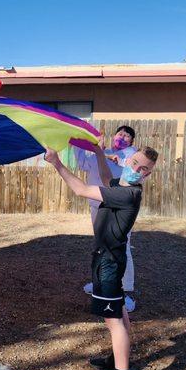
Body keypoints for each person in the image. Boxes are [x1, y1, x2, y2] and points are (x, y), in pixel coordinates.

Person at [46, 145, 158, 370]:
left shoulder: (129, 194)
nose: (137, 169)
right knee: (120, 311)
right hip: (109, 258)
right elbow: (107, 179)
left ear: (147, 174)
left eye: (143, 169)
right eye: (135, 163)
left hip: (109, 263)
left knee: (113, 320)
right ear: (128, 161)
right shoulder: (123, 186)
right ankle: (116, 360)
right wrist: (98, 153)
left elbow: (81, 189)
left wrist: (57, 163)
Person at [76, 126, 138, 312]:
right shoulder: (103, 152)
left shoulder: (131, 155)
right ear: (113, 136)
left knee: (122, 248)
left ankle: (126, 293)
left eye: (127, 136)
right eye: (120, 134)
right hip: (97, 205)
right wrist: (76, 143)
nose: (122, 137)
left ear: (131, 142)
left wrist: (100, 152)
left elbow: (124, 165)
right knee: (101, 246)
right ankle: (100, 284)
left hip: (118, 208)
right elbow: (82, 164)